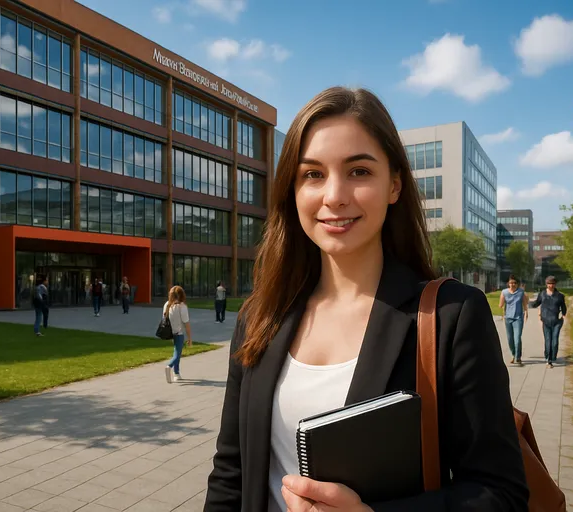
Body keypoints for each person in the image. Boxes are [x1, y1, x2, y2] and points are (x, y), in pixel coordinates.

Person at [204, 87, 528, 511]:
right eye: (313, 174)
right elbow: (231, 473)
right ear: (292, 191)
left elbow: (501, 494)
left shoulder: (452, 316)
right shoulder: (260, 316)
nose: (334, 195)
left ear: (394, 184)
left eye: (358, 171)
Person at [530, 276, 567, 369]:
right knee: (548, 340)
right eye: (549, 284)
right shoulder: (542, 294)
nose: (551, 285)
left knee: (554, 341)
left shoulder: (559, 296)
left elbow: (563, 307)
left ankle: (553, 356)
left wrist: (563, 315)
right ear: (546, 284)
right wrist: (526, 303)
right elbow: (536, 303)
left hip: (557, 321)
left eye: (553, 283)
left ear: (555, 284)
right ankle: (548, 359)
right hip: (546, 320)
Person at [163, 285, 193, 383]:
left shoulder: (167, 305)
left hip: (170, 332)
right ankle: (169, 366)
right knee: (177, 354)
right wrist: (190, 338)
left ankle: (177, 373)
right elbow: (187, 324)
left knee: (177, 352)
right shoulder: (182, 307)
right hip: (179, 333)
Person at [499, 274, 529, 365]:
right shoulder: (504, 292)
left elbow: (525, 303)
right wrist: (502, 305)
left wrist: (526, 312)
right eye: (511, 283)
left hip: (518, 318)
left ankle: (518, 357)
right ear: (508, 283)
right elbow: (500, 305)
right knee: (510, 339)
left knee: (517, 338)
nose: (513, 284)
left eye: (515, 283)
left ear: (517, 284)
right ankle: (513, 354)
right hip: (508, 318)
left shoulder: (521, 292)